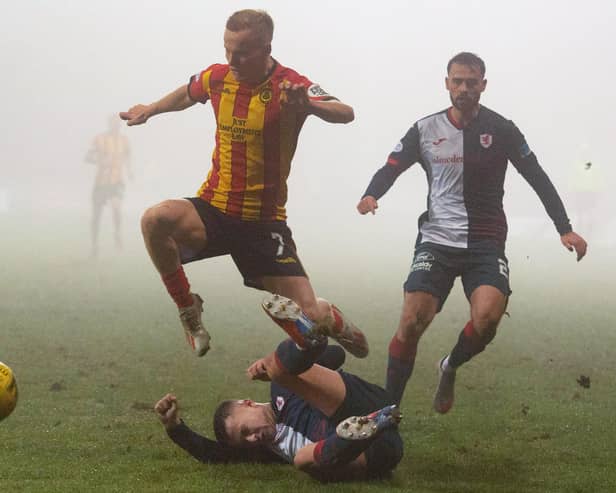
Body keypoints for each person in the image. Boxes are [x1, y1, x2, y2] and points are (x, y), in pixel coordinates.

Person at [119, 9, 367, 359]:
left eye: (243, 52)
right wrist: (152, 108)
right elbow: (189, 93)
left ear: (267, 47)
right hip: (215, 209)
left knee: (309, 316)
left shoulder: (289, 83)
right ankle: (189, 309)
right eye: (227, 49)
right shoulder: (218, 78)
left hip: (263, 224)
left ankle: (330, 317)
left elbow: (345, 112)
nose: (232, 59)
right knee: (154, 219)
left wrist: (309, 106)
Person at [357, 52, 588, 413]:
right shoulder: (424, 129)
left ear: (483, 84)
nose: (464, 88)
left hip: (485, 241)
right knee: (412, 320)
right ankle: (387, 412)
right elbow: (391, 167)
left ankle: (449, 366)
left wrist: (565, 228)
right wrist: (371, 194)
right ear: (446, 83)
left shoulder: (502, 129)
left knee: (486, 320)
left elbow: (537, 176)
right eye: (457, 81)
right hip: (437, 238)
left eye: (471, 82)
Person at [154, 294, 403, 481]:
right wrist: (174, 427)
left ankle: (307, 342)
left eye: (245, 430)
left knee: (278, 373)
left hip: (358, 402)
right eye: (247, 441)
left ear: (247, 403)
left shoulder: (281, 392)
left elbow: (337, 356)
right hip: (379, 453)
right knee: (301, 459)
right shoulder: (270, 449)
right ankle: (358, 432)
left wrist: (273, 369)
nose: (253, 438)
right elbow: (215, 454)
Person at [85, 115, 132, 257]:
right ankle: (94, 246)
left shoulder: (124, 140)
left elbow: (128, 157)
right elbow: (88, 157)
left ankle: (117, 235)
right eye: (113, 123)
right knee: (96, 216)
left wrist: (130, 172)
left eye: (117, 123)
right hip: (101, 183)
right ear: (109, 124)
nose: (116, 126)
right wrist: (100, 160)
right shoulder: (100, 139)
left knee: (116, 207)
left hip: (117, 182)